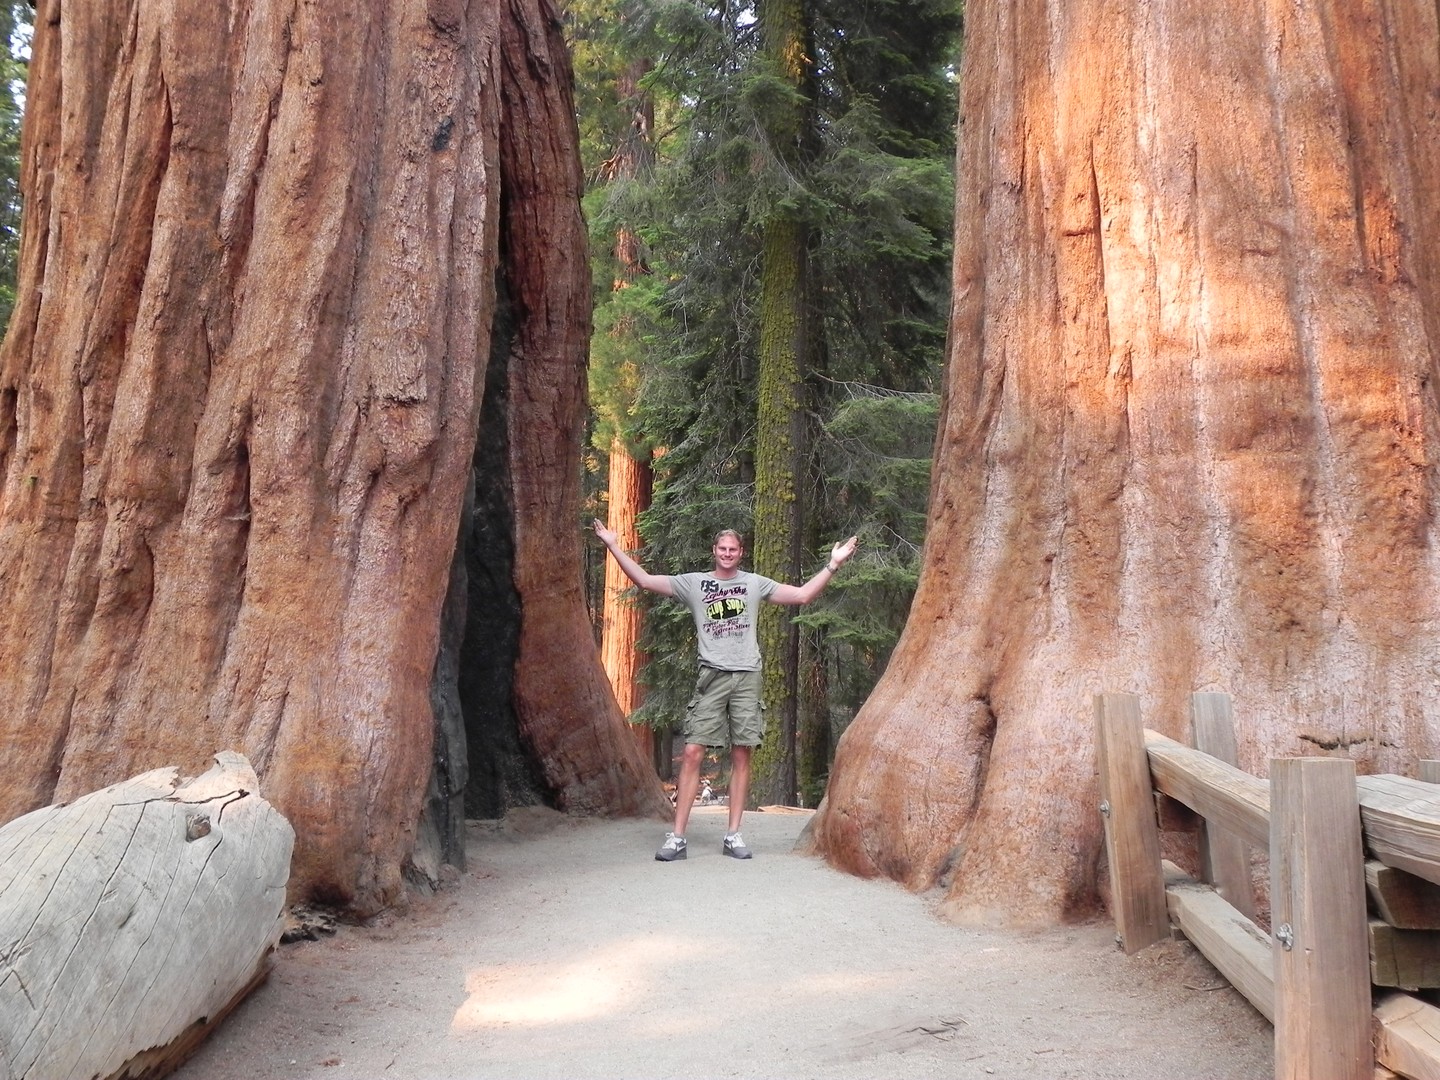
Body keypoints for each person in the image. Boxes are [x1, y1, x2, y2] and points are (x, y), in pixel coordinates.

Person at [593, 520, 858, 861]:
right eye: (722, 549)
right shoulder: (695, 584)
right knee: (691, 752)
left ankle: (733, 834)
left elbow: (802, 595)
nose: (727, 554)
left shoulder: (753, 583)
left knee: (741, 753)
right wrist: (613, 545)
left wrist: (833, 564)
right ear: (714, 552)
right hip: (711, 677)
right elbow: (644, 580)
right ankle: (677, 837)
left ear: (741, 553)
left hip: (747, 676)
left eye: (733, 549)